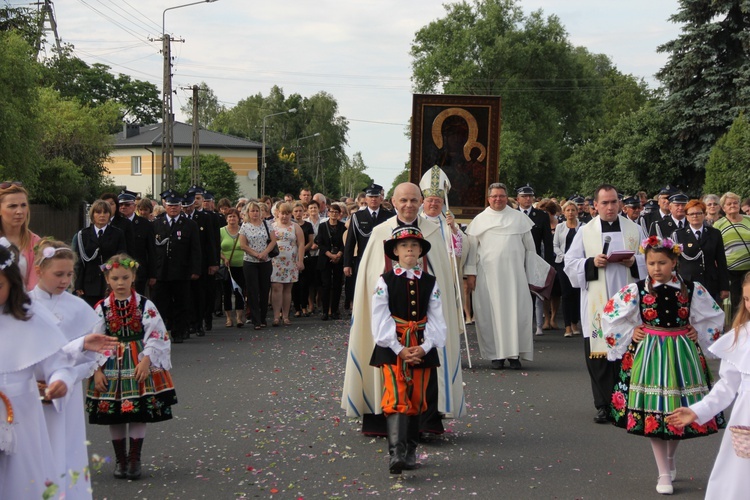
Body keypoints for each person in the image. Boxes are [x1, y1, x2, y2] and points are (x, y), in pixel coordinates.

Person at [602, 235, 725, 495]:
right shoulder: (637, 289)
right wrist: (631, 330)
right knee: (654, 411)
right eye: (651, 263)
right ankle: (663, 471)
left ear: (674, 262)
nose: (656, 268)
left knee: (679, 409)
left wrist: (697, 332)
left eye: (662, 263)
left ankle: (669, 459)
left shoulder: (692, 289)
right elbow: (610, 313)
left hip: (682, 353)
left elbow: (714, 314)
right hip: (650, 354)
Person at [342, 182, 465, 436]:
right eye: (403, 200)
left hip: (423, 320)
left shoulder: (432, 232)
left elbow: (440, 274)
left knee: (426, 368)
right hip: (391, 317)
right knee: (390, 368)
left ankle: (425, 421)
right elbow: (369, 279)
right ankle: (384, 420)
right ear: (394, 203)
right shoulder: (380, 233)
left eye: (413, 200)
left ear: (420, 202)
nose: (408, 205)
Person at [29, 240, 118, 499]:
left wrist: (68, 379)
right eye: (58, 274)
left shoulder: (79, 308)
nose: (64, 280)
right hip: (29, 392)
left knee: (65, 450)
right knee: (33, 453)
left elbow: (90, 358)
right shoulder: (23, 305)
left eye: (69, 274)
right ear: (38, 269)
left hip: (64, 394)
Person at [85, 254, 177, 480]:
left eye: (125, 277)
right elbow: (93, 339)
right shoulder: (102, 307)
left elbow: (157, 332)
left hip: (138, 361)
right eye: (115, 278)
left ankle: (135, 458)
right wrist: (96, 370)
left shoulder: (146, 304)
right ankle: (121, 459)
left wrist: (146, 360)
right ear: (107, 279)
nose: (120, 283)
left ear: (133, 277)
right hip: (110, 363)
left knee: (138, 411)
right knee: (115, 414)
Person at [564, 184, 645, 424]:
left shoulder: (635, 229)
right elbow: (570, 262)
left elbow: (650, 259)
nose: (610, 207)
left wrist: (634, 262)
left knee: (627, 353)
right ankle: (604, 405)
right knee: (599, 356)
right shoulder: (585, 231)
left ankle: (627, 403)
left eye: (614, 202)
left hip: (627, 300)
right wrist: (591, 263)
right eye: (605, 203)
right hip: (597, 303)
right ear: (595, 206)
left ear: (620, 203)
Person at [0, 239, 75, 498]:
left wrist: (60, 380)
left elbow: (58, 361)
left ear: (11, 282)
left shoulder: (29, 316)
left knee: (22, 482)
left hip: (21, 415)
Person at [370, 226, 446, 474]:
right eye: (404, 245)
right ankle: (397, 454)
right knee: (396, 396)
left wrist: (424, 347)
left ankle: (411, 451)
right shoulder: (385, 280)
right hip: (394, 347)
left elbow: (436, 318)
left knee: (416, 399)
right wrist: (398, 348)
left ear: (421, 251)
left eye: (415, 245)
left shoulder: (430, 282)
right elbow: (380, 317)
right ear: (395, 251)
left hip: (422, 346)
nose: (410, 249)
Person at [667, 272, 750, 499]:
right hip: (746, 423)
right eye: (747, 299)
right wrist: (697, 410)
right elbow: (726, 387)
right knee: (738, 482)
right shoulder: (740, 338)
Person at [464, 183, 535, 369]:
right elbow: (472, 251)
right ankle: (496, 355)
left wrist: (532, 276)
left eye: (502, 196)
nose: (498, 199)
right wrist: (470, 275)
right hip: (488, 277)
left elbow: (530, 250)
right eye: (494, 196)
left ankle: (514, 356)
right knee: (490, 314)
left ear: (507, 197)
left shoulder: (519, 219)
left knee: (517, 314)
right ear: (488, 199)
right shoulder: (480, 220)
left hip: (516, 277)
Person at [418, 166, 467, 434]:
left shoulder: (447, 224)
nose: (434, 203)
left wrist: (455, 232)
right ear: (423, 201)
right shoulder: (417, 222)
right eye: (430, 200)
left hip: (443, 288)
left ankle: (442, 401)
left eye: (437, 200)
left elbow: (457, 252)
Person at [151, 190, 201, 343]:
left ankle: (180, 331)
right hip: (161, 271)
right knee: (161, 304)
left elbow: (195, 249)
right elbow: (152, 250)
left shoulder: (189, 224)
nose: (173, 208)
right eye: (170, 205)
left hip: (181, 270)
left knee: (181, 303)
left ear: (180, 206)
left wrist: (195, 269)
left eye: (176, 205)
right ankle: (161, 333)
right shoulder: (156, 224)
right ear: (165, 205)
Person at [73, 200, 128, 307]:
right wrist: (78, 284)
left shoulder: (117, 234)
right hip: (89, 284)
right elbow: (79, 261)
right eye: (98, 212)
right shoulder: (83, 234)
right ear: (93, 214)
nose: (102, 215)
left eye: (105, 212)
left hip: (110, 282)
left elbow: (121, 257)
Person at [674, 199, 730, 303]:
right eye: (691, 214)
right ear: (686, 216)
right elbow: (674, 262)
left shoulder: (714, 233)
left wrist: (724, 287)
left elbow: (721, 261)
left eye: (698, 213)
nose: (695, 216)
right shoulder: (678, 235)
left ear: (704, 214)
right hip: (688, 283)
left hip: (710, 283)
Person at [239, 202, 277, 330]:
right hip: (250, 262)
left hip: (265, 261)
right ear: (248, 213)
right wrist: (256, 254)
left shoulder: (267, 224)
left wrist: (264, 253)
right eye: (252, 211)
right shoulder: (245, 226)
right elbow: (243, 245)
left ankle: (263, 317)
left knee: (264, 289)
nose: (255, 213)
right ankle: (255, 319)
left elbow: (273, 241)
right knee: (252, 290)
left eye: (256, 211)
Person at [0, 182, 42, 289]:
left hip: (25, 303)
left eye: (23, 205)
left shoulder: (36, 242)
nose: (19, 211)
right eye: (12, 206)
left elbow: (35, 286)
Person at [714, 192, 750, 317]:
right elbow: (716, 248)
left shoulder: (748, 220)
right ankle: (738, 327)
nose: (732, 205)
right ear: (723, 208)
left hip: (749, 269)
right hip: (731, 269)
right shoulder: (718, 225)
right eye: (729, 204)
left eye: (735, 203)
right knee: (736, 301)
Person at [270, 202, 305, 326]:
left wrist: (300, 261)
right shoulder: (272, 226)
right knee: (276, 287)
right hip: (275, 261)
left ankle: (285, 316)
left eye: (287, 213)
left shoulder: (296, 227)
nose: (284, 216)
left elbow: (301, 244)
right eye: (282, 213)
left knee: (287, 289)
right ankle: (275, 316)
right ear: (277, 213)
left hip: (291, 261)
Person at [553, 200, 584, 337]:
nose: (570, 212)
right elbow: (555, 245)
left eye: (573, 210)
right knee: (566, 294)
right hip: (563, 263)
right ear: (564, 212)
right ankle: (567, 327)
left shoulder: (583, 227)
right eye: (568, 210)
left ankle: (574, 323)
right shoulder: (560, 227)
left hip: (578, 264)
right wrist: (565, 256)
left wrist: (575, 258)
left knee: (577, 293)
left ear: (577, 212)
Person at [119, 190, 156, 295]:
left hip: (138, 271)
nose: (123, 207)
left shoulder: (145, 224)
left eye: (127, 204)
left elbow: (151, 250)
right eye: (121, 204)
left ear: (134, 206)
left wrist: (152, 274)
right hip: (118, 270)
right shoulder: (114, 224)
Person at [315, 203, 345, 320]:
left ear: (339, 214)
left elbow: (345, 243)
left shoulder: (343, 227)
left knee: (337, 285)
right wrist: (329, 254)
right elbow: (320, 243)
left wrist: (338, 255)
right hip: (325, 258)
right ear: (328, 213)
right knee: (326, 285)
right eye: (332, 212)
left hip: (338, 258)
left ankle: (334, 310)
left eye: (336, 212)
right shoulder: (322, 226)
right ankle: (325, 311)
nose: (333, 214)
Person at [219, 208, 246, 327]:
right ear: (226, 219)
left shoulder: (243, 231)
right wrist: (224, 258)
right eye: (229, 216)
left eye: (234, 216)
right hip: (227, 267)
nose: (232, 219)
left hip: (241, 265)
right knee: (226, 292)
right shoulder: (221, 231)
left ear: (238, 218)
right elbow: (216, 247)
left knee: (239, 291)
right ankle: (229, 318)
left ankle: (239, 317)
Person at [291, 202, 314, 317]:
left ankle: (304, 306)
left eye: (300, 211)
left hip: (305, 256)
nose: (298, 213)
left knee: (304, 284)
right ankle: (297, 308)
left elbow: (311, 241)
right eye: (295, 211)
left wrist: (302, 250)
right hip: (292, 257)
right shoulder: (290, 226)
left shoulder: (308, 225)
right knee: (295, 284)